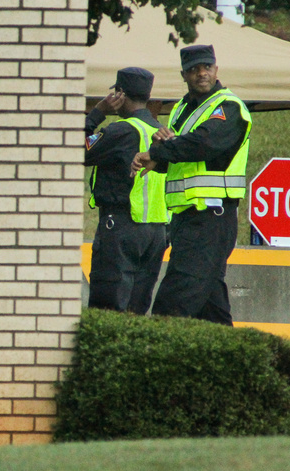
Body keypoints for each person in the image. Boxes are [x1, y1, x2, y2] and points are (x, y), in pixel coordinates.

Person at [130, 45, 251, 326]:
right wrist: (159, 153)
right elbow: (183, 157)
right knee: (211, 311)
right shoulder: (182, 109)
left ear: (216, 70)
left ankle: (158, 363)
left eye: (207, 67)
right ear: (184, 74)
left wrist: (159, 152)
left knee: (173, 305)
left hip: (211, 219)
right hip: (186, 220)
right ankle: (232, 366)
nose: (202, 73)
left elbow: (205, 143)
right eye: (194, 69)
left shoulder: (228, 107)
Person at [84, 67, 168, 314]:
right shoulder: (158, 131)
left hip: (121, 226)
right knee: (136, 309)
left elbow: (74, 148)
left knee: (108, 306)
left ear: (119, 94)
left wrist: (98, 112)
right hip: (156, 232)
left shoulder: (121, 130)